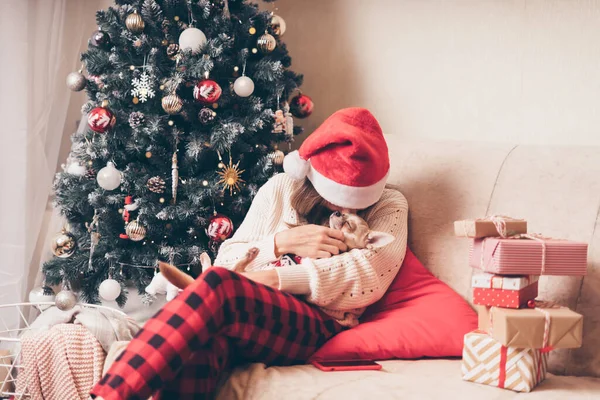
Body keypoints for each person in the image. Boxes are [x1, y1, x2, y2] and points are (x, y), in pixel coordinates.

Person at [91, 107, 408, 400]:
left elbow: (369, 275)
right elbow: (228, 260)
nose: (346, 209)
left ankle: (108, 396)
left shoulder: (390, 205)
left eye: (356, 203)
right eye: (335, 198)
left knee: (219, 285)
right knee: (200, 345)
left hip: (318, 324)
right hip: (249, 315)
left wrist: (270, 277)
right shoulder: (282, 187)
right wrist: (282, 243)